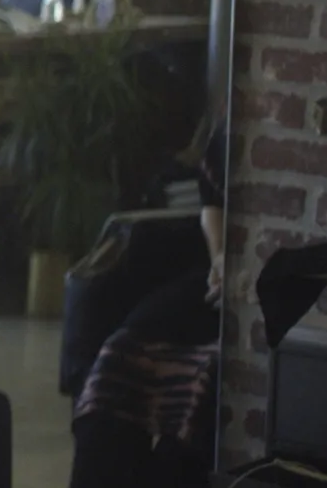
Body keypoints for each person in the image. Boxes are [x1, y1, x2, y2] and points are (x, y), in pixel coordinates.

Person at [67, 120, 226, 488]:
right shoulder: (235, 124)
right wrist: (219, 258)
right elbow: (213, 202)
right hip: (214, 277)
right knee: (119, 357)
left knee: (203, 385)